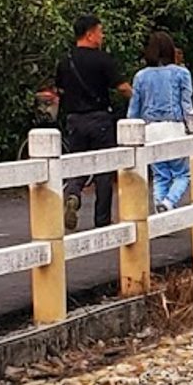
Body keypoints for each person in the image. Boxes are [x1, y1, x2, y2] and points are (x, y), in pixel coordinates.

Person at [56, 15, 131, 232]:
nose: (102, 35)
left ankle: (73, 193)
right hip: (99, 119)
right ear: (90, 34)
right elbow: (122, 87)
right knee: (104, 171)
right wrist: (136, 98)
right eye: (100, 31)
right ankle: (102, 220)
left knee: (78, 164)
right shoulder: (102, 60)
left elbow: (60, 89)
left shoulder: (65, 60)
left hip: (74, 119)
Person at [128, 32, 193, 213]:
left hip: (151, 130)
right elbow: (186, 104)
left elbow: (134, 108)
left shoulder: (140, 76)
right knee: (182, 174)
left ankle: (160, 209)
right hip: (174, 127)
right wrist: (192, 127)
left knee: (160, 175)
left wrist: (130, 130)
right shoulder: (181, 73)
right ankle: (169, 202)